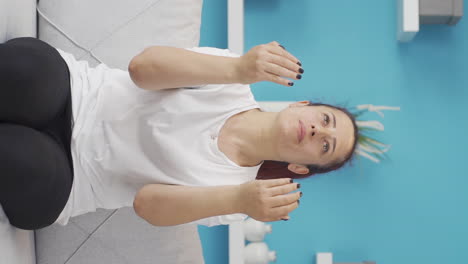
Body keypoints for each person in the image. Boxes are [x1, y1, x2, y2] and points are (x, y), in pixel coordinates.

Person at [0, 37, 357, 231]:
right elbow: (142, 69)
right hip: (78, 91)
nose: (316, 130)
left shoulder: (240, 199)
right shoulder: (235, 80)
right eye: (324, 119)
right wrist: (237, 68)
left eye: (325, 145)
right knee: (28, 74)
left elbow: (146, 204)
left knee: (26, 161)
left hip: (73, 179)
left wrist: (238, 201)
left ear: (299, 168)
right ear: (301, 105)